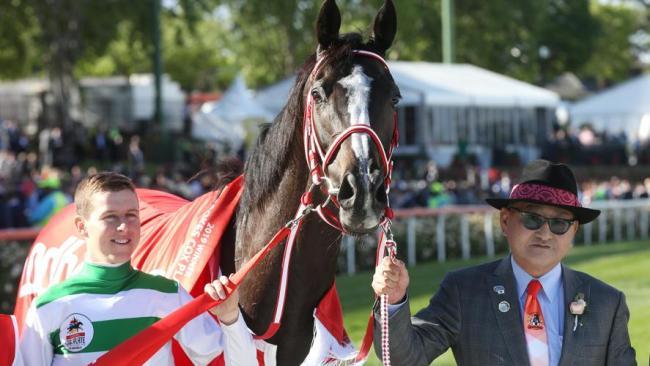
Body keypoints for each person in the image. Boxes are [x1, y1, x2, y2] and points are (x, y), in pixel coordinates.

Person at [372, 159, 636, 366]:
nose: (545, 233)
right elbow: (403, 360)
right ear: (506, 221)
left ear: (574, 231)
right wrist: (394, 301)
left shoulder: (607, 302)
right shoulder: (464, 290)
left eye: (559, 223)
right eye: (532, 218)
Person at [20, 172, 257, 365]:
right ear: (82, 227)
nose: (124, 226)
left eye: (131, 215)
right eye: (110, 217)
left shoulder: (167, 294)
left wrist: (230, 318)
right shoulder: (48, 307)